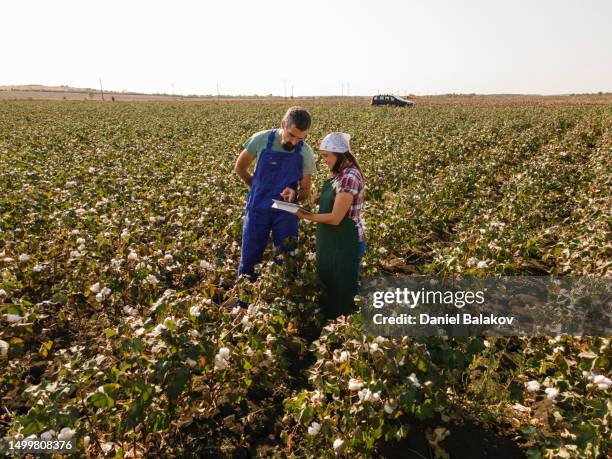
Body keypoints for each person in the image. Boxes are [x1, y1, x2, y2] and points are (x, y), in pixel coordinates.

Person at [234, 107, 316, 282]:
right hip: (258, 205)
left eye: (300, 138)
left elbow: (306, 190)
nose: (294, 142)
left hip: (285, 209)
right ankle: (243, 303)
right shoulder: (261, 139)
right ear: (283, 124)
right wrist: (257, 187)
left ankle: (282, 297)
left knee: (287, 257)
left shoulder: (305, 153)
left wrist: (295, 194)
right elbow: (240, 168)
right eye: (291, 135)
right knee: (250, 254)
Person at [296, 132, 366, 319]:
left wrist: (305, 215)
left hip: (346, 242)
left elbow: (336, 218)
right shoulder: (338, 175)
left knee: (343, 288)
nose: (324, 160)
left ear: (339, 155)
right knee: (330, 283)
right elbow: (329, 201)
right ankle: (331, 323)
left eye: (326, 156)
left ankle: (346, 328)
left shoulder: (349, 177)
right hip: (333, 241)